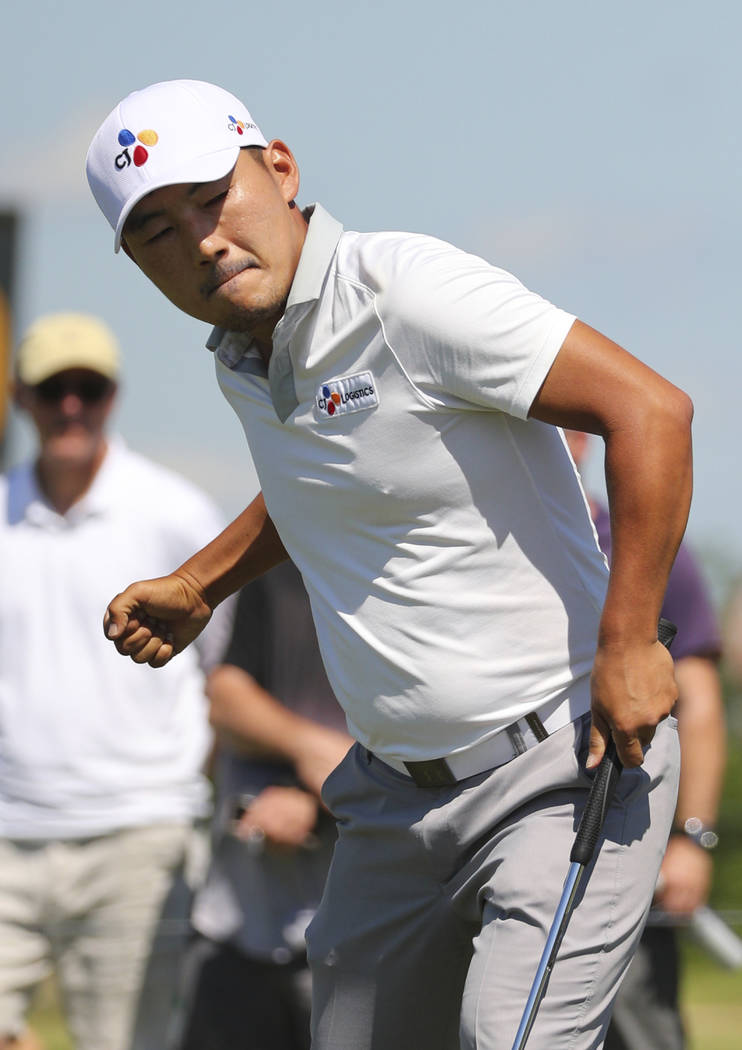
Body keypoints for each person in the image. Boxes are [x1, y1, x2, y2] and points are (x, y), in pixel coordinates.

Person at [85, 79, 694, 1050]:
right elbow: (327, 479)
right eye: (155, 230)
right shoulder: (242, 353)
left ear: (277, 168)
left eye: (211, 197)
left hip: (564, 760)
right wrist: (203, 581)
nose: (198, 239)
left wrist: (629, 640)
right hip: (388, 805)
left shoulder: (404, 287)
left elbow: (650, 412)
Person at [0, 312, 232, 1050]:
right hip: (8, 831)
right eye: (53, 388)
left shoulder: (174, 513)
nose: (71, 405)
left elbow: (222, 670)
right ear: (21, 398)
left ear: (113, 396)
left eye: (88, 388)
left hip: (139, 832)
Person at [564, 430, 726, 1050]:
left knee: (641, 1030)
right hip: (502, 836)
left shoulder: (648, 546)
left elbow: (701, 703)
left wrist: (691, 837)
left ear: (586, 438)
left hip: (632, 841)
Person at [176, 560, 352, 1050]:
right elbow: (227, 701)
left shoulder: (424, 573)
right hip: (240, 922)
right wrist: (312, 753)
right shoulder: (268, 565)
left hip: (357, 937)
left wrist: (317, 800)